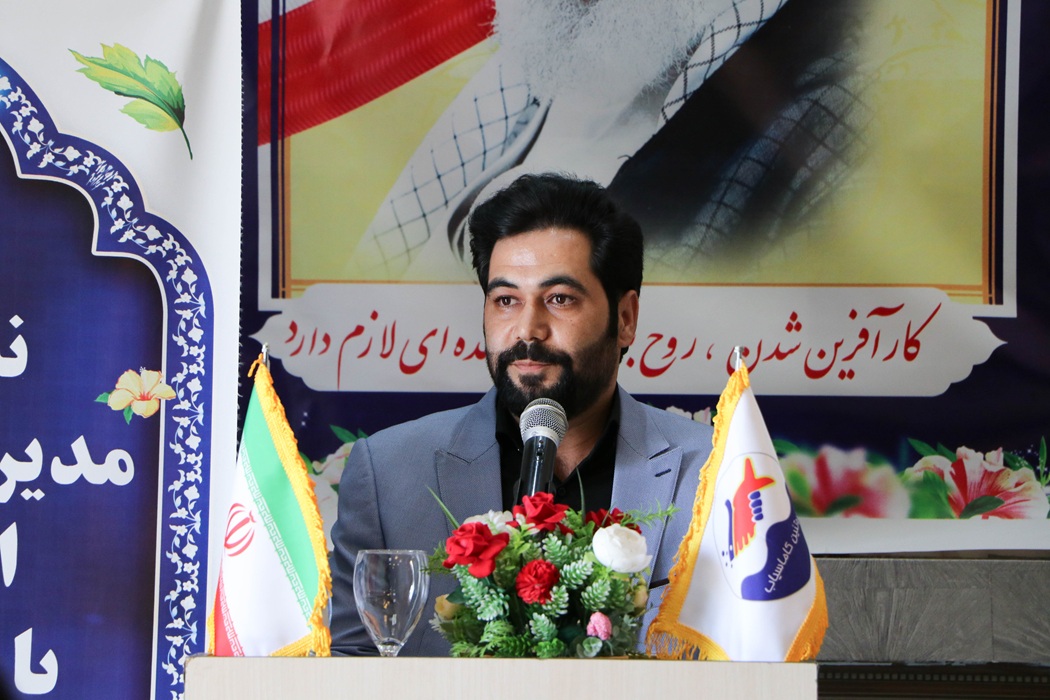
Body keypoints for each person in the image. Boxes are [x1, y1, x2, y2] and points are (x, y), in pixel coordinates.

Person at [329, 173, 714, 656]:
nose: (528, 329)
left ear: (625, 319)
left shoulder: (715, 475)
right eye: (506, 300)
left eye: (560, 299)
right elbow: (348, 671)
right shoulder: (388, 475)